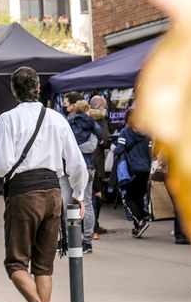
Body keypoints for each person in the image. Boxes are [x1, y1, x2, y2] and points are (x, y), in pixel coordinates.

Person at [0, 67, 87, 302]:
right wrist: (79, 194)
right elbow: (77, 163)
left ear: (14, 90)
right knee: (44, 266)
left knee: (16, 262)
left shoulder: (8, 119)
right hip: (54, 191)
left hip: (24, 193)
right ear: (39, 89)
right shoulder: (57, 118)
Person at [65, 99, 102, 253]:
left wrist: (72, 150)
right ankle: (87, 240)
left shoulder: (68, 123)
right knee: (87, 203)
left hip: (68, 167)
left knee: (67, 203)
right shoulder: (93, 124)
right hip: (87, 166)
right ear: (87, 110)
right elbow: (96, 143)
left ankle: (68, 238)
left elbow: (64, 144)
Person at [110, 109, 153, 238]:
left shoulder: (125, 133)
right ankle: (138, 226)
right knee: (139, 197)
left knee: (128, 198)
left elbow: (119, 150)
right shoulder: (148, 134)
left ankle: (140, 221)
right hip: (145, 169)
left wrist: (113, 147)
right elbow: (150, 152)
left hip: (131, 169)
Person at [88, 95, 110, 237]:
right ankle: (94, 227)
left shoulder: (81, 118)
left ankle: (87, 227)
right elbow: (106, 139)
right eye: (104, 106)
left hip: (85, 161)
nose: (106, 109)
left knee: (85, 196)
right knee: (96, 194)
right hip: (96, 161)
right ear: (99, 107)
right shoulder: (101, 120)